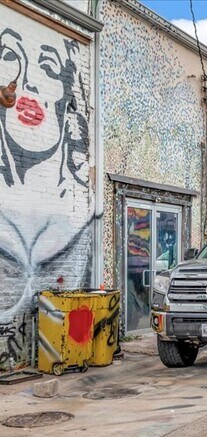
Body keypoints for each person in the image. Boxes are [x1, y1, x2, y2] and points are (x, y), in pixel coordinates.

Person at [0, 27, 91, 323]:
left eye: (47, 66)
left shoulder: (83, 219)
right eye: (10, 56)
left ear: (68, 95)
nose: (26, 84)